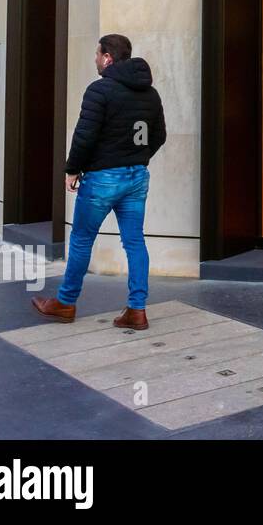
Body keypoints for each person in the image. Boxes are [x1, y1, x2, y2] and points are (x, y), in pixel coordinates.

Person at [31, 34, 167, 329]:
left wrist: (72, 169)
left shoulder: (100, 90)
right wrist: (136, 156)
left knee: (81, 239)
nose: (95, 59)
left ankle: (65, 304)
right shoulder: (150, 93)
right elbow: (159, 137)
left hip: (103, 178)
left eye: (97, 54)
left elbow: (84, 136)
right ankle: (137, 310)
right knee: (134, 241)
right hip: (137, 177)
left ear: (107, 57)